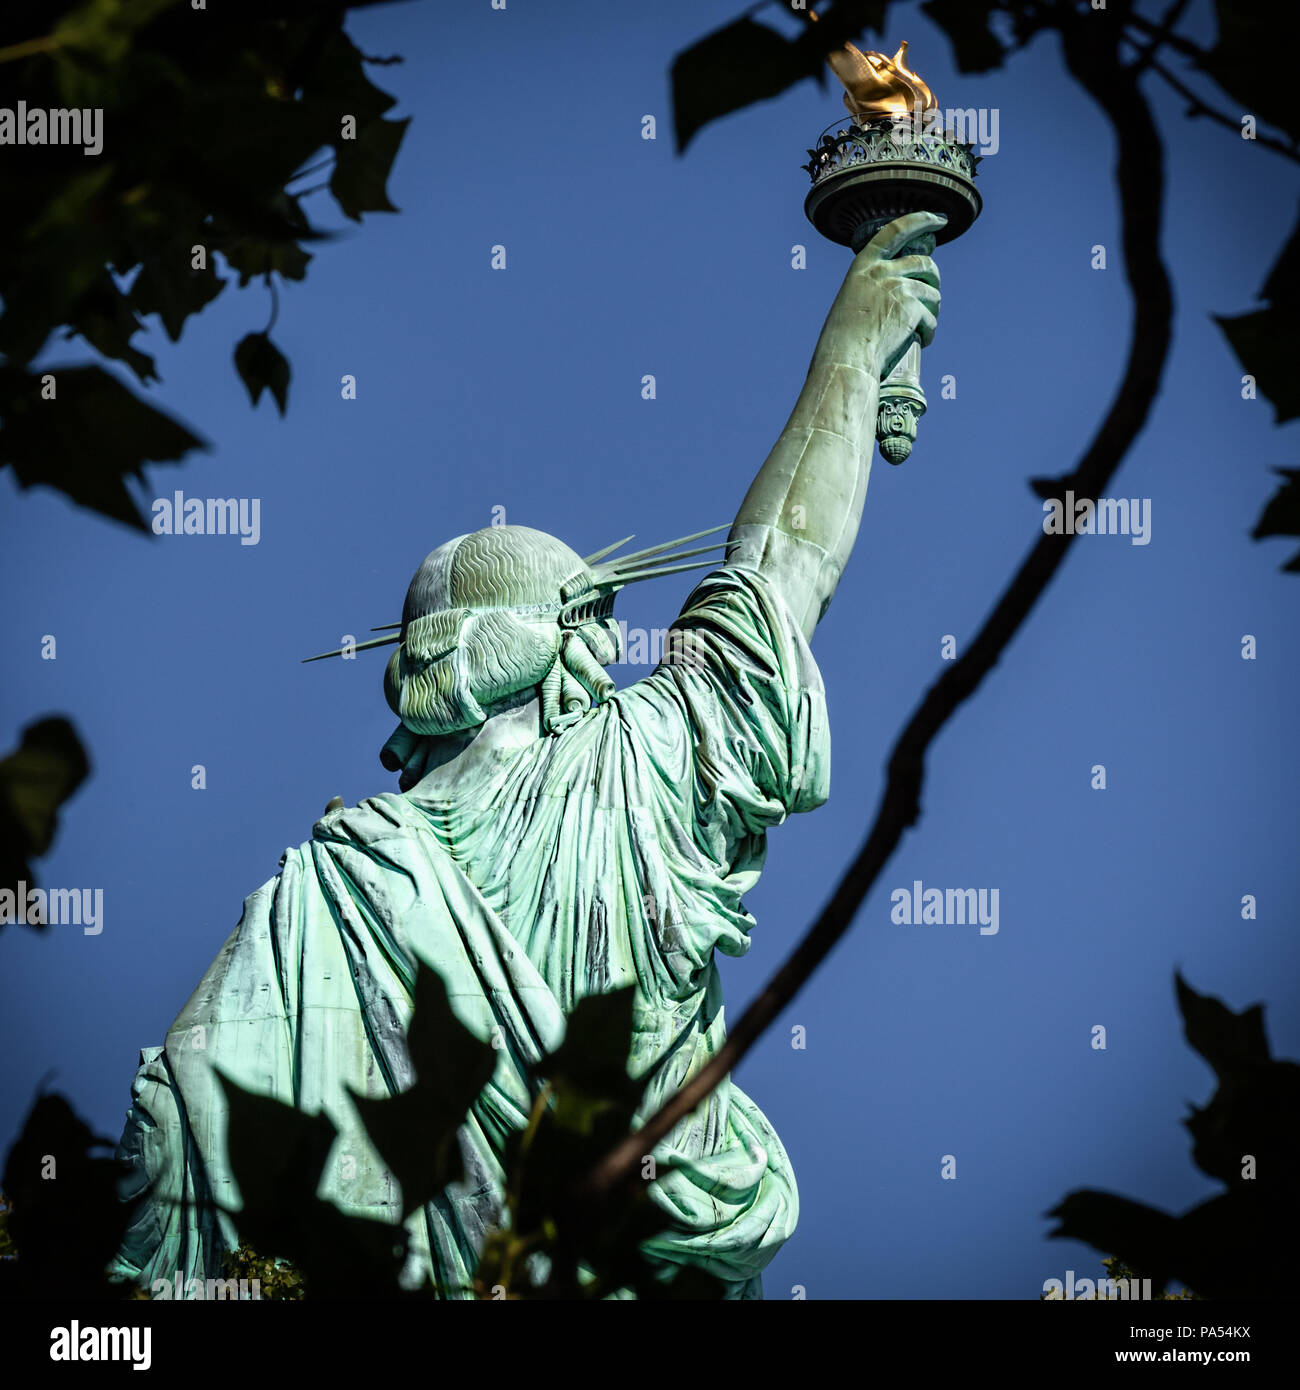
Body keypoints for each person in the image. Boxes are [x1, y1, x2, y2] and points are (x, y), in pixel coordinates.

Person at [111, 211, 944, 1299]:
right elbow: (783, 562)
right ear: (568, 652)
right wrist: (847, 354)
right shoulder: (638, 770)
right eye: (595, 630)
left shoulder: (334, 880)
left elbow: (177, 1118)